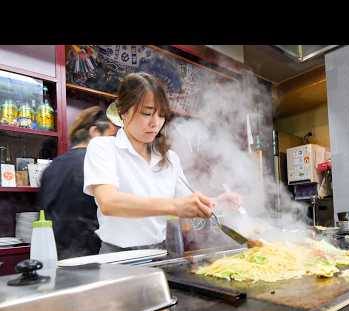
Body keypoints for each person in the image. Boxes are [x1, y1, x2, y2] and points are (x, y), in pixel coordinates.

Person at [83, 72, 240, 254]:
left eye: (161, 115)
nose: (155, 123)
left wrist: (216, 202)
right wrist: (174, 206)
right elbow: (109, 203)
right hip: (117, 255)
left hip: (160, 253)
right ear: (124, 111)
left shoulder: (170, 157)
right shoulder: (103, 147)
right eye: (147, 113)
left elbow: (184, 200)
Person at [39, 106, 119, 259]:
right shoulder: (97, 165)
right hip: (91, 259)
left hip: (54, 256)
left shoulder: (52, 167)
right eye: (112, 136)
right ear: (95, 132)